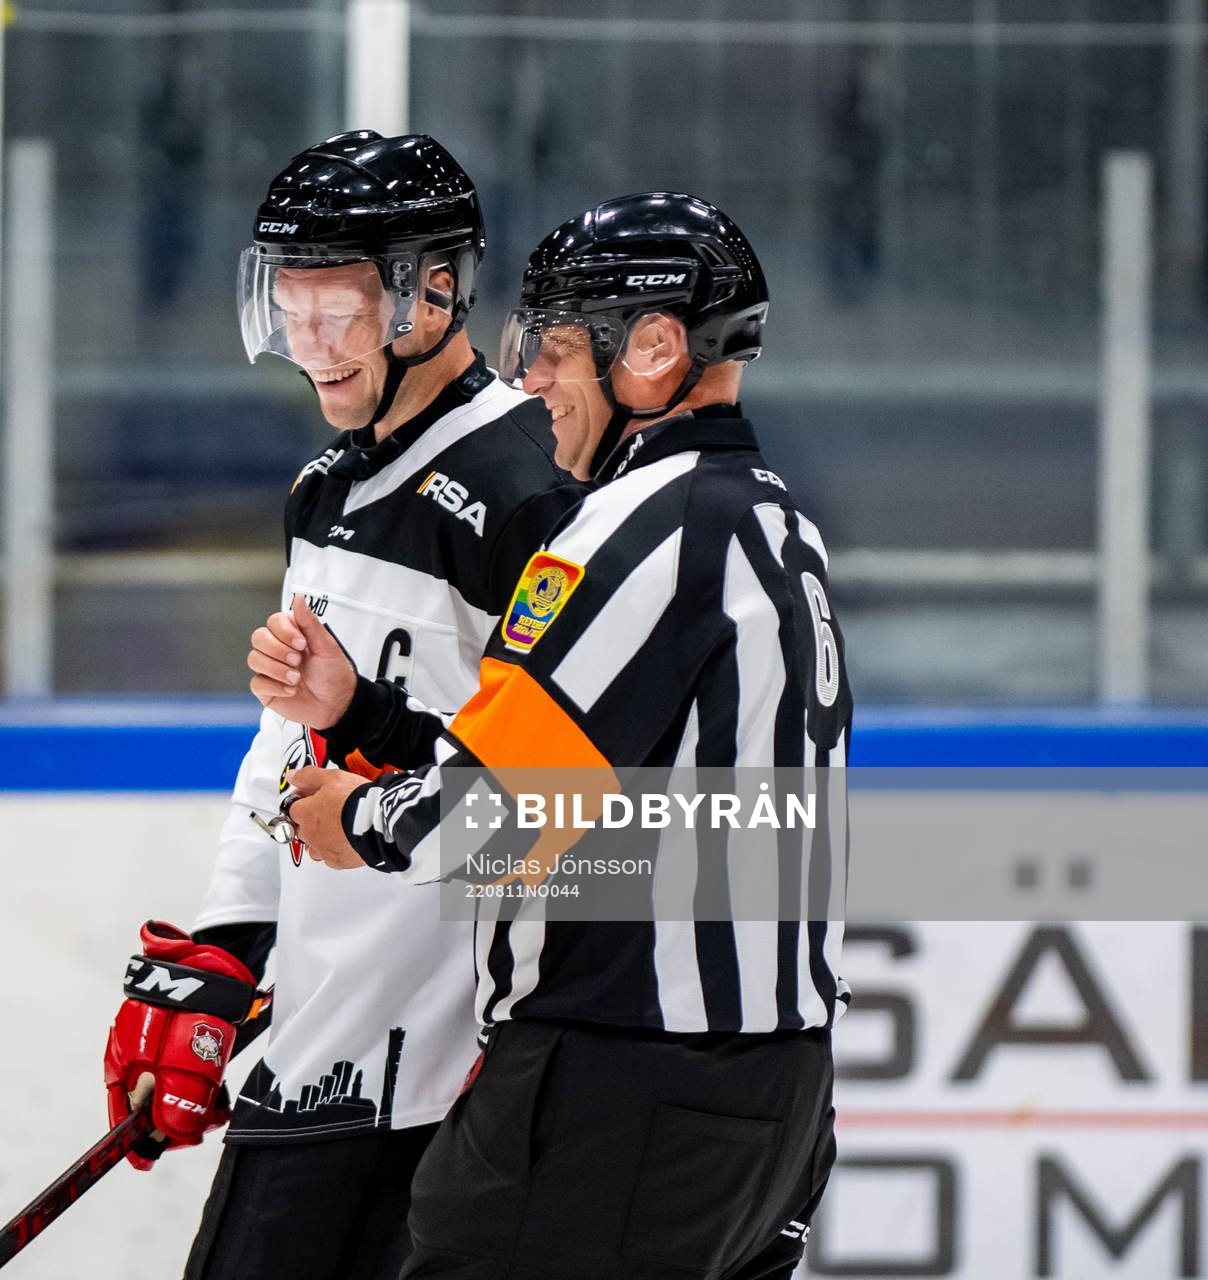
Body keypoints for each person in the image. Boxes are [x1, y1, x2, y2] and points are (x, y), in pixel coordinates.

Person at [267, 193, 850, 1280]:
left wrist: (361, 820)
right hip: (778, 1104)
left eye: (556, 348)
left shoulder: (632, 527)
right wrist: (369, 716)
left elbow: (491, 819)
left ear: (655, 348)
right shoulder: (777, 526)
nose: (530, 380)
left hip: (615, 1094)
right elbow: (626, 810)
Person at [99, 131, 585, 1280]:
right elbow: (289, 732)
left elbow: (566, 788)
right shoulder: (326, 487)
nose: (308, 344)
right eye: (290, 307)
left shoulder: (531, 486)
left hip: (451, 1082)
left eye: (338, 310)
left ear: (433, 293)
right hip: (322, 1042)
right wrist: (228, 944)